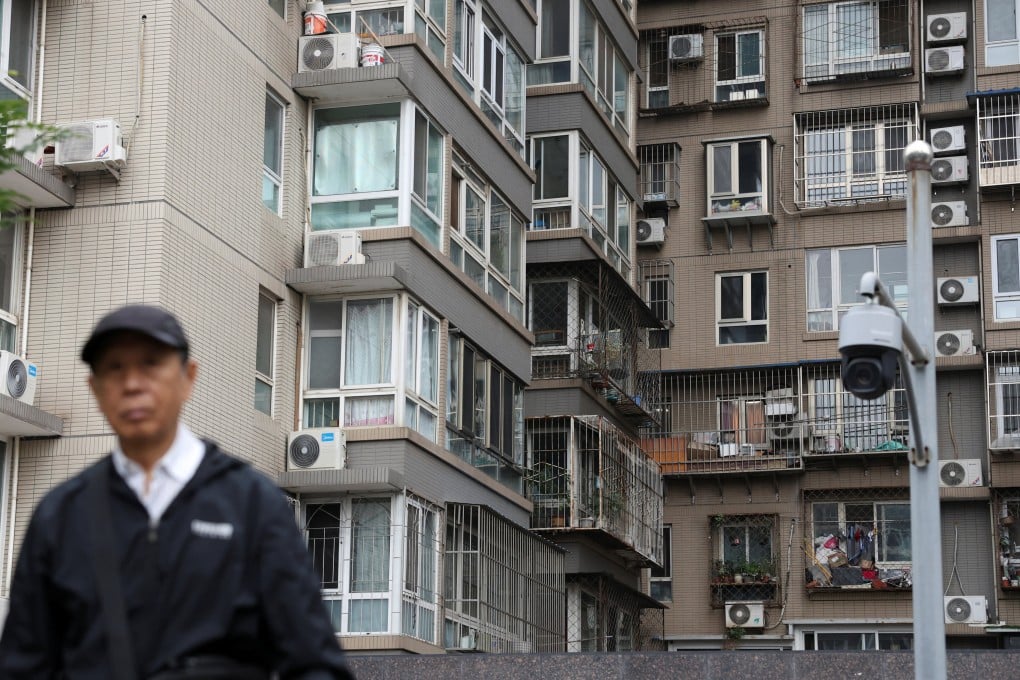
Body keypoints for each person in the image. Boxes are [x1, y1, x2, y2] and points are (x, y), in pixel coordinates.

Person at [0, 304, 353, 680]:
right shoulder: (62, 515)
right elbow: (23, 665)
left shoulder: (251, 503)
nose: (132, 383)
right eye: (114, 368)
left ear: (188, 377)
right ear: (95, 388)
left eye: (151, 364)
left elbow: (315, 663)